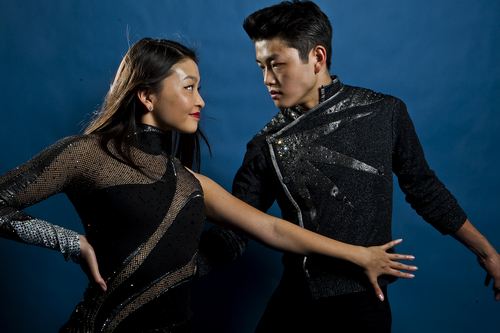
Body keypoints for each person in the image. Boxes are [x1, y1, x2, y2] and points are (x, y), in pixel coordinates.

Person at [0, 37, 417, 333]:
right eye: (189, 88)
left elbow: (271, 228)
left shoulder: (188, 183)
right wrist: (71, 244)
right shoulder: (86, 154)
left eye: (200, 88)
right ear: (146, 96)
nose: (200, 101)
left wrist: (359, 255)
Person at [196, 1, 500, 332]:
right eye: (261, 67)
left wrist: (487, 254)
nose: (267, 79)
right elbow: (237, 227)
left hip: (364, 306)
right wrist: (173, 267)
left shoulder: (384, 113)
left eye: (277, 64)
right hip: (295, 305)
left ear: (317, 57)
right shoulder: (266, 144)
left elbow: (425, 189)